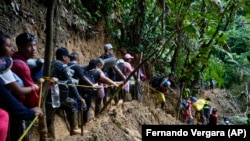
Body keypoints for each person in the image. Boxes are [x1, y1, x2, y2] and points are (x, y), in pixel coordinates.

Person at [47, 47, 82, 135]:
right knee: (73, 104)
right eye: (68, 57)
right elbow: (70, 83)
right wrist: (79, 97)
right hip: (58, 97)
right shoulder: (62, 66)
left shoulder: (52, 63)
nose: (69, 59)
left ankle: (50, 136)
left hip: (48, 96)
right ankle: (74, 129)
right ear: (64, 57)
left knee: (49, 117)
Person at [79, 59, 121, 124]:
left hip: (81, 92)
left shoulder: (85, 72)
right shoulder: (96, 72)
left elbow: (103, 81)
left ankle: (83, 122)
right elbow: (106, 80)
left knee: (85, 108)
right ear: (96, 66)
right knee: (86, 109)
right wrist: (114, 84)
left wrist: (115, 83)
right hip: (88, 93)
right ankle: (84, 124)